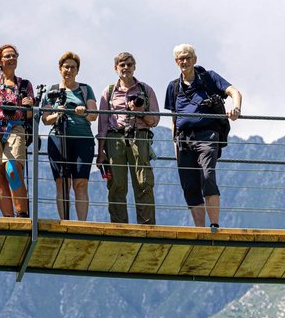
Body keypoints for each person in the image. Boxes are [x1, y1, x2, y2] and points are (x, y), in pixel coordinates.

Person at [165, 44, 242, 229]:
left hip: (207, 135)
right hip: (183, 141)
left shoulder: (209, 78)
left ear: (195, 59)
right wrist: (174, 144)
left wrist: (236, 108)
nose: (184, 61)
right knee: (189, 184)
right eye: (181, 58)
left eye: (187, 57)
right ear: (176, 62)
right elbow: (174, 119)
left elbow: (234, 92)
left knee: (208, 176)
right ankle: (199, 230)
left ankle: (214, 225)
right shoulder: (173, 87)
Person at [97, 52, 160, 225]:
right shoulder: (109, 91)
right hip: (114, 138)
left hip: (139, 136)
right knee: (116, 184)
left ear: (135, 67)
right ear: (115, 68)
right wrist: (100, 152)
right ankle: (119, 227)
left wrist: (140, 113)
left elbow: (155, 120)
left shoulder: (146, 90)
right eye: (122, 65)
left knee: (143, 182)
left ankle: (147, 227)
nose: (126, 68)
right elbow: (102, 125)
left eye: (129, 64)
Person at [0, 45, 35, 218]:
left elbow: (29, 115)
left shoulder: (24, 85)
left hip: (16, 126)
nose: (11, 59)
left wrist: (29, 105)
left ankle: (22, 214)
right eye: (8, 56)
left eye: (14, 55)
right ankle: (8, 219)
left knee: (12, 170)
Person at [42, 51, 98, 221]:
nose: (69, 70)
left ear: (77, 70)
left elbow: (93, 115)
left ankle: (81, 224)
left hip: (83, 139)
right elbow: (45, 119)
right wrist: (57, 113)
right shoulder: (51, 91)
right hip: (58, 139)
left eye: (73, 67)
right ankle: (65, 222)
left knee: (81, 183)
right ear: (60, 68)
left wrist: (83, 112)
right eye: (66, 67)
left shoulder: (85, 89)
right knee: (62, 183)